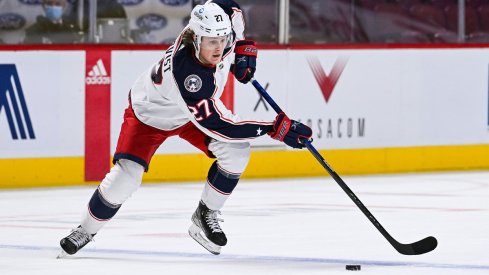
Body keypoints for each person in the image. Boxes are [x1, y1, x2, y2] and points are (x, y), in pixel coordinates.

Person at [58, 0, 312, 256]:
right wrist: (274, 128)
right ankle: (85, 230)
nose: (219, 47)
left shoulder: (216, 34)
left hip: (188, 115)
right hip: (149, 116)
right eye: (212, 41)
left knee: (236, 153)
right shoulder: (189, 75)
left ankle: (205, 213)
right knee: (126, 178)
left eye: (223, 39)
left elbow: (229, 7)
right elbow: (219, 125)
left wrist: (243, 46)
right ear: (195, 38)